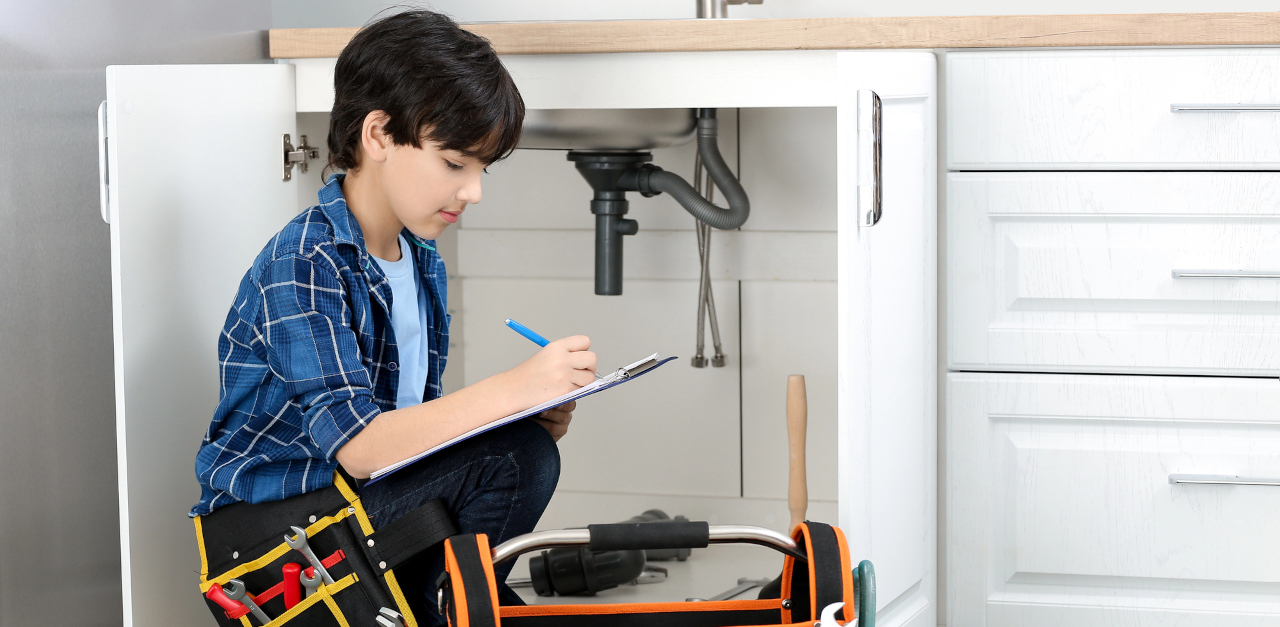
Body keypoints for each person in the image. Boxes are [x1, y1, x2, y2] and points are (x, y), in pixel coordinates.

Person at [189, 9, 594, 620]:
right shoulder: (304, 261)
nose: (474, 190)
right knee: (517, 459)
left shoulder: (420, 258)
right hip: (275, 544)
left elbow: (407, 441)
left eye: (483, 169)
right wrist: (512, 390)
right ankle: (435, 605)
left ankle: (435, 604)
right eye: (456, 163)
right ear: (378, 135)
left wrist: (524, 411)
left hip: (361, 507)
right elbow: (361, 448)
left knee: (521, 449)